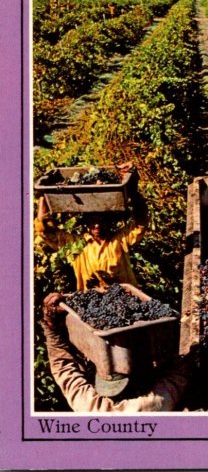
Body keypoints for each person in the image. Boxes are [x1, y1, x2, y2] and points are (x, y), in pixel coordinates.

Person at [41, 292, 189, 412]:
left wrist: (51, 326)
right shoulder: (154, 404)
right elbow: (178, 374)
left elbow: (63, 368)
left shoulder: (89, 407)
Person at [34, 165, 148, 291]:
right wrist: (42, 197)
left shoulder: (119, 241)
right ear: (87, 224)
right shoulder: (76, 245)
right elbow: (44, 231)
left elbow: (140, 224)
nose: (97, 225)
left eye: (101, 221)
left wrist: (132, 189)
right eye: (93, 222)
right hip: (91, 300)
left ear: (110, 222)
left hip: (124, 298)